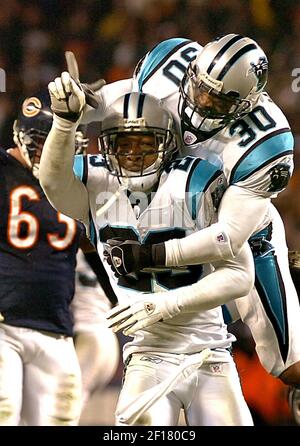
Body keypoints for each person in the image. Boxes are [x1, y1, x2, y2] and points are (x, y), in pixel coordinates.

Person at [76, 34, 300, 398]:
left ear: (247, 103)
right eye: (200, 87)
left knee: (290, 369)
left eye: (219, 98)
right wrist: (83, 105)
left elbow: (228, 237)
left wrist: (155, 255)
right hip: (161, 214)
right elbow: (123, 99)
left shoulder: (266, 143)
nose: (203, 101)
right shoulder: (170, 65)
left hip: (238, 243)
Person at [39, 89, 255, 425]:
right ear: (108, 147)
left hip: (210, 351)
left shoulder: (196, 182)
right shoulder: (96, 182)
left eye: (144, 143)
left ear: (166, 144)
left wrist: (166, 304)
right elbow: (51, 181)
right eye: (123, 144)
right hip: (147, 356)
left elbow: (240, 275)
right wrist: (64, 124)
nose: (133, 155)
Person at [0, 94, 118, 425]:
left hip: (56, 327)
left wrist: (122, 299)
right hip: (4, 323)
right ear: (19, 135)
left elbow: (95, 251)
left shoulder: (73, 187)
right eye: (40, 143)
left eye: (57, 145)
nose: (47, 153)